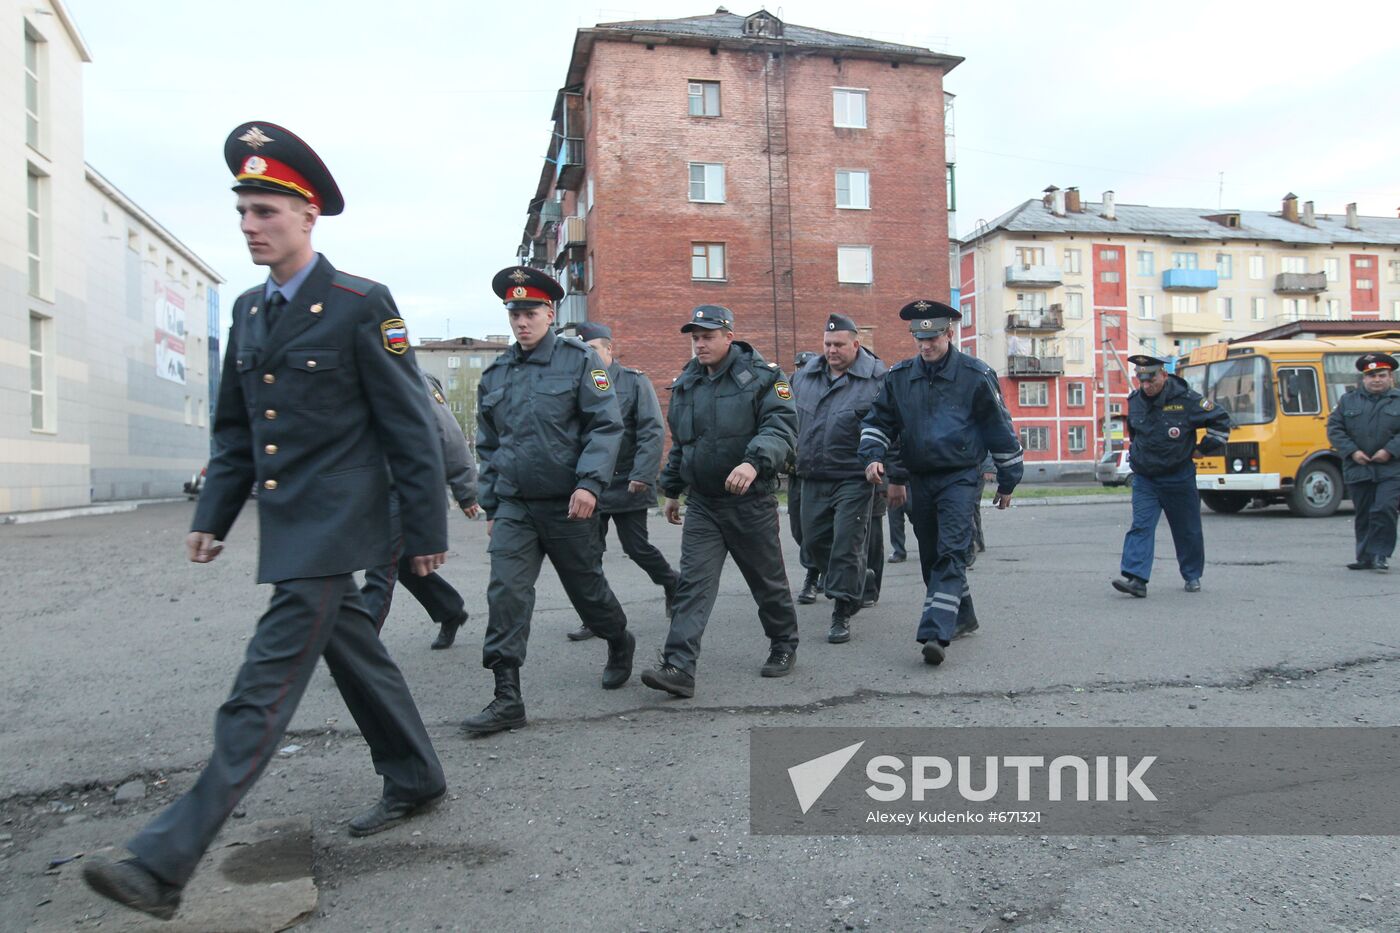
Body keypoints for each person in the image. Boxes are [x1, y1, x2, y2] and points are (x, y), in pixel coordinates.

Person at [82, 122, 449, 921]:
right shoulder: (248, 312)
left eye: (266, 211)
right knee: (356, 652)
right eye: (243, 210)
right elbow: (238, 428)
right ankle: (417, 774)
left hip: (339, 526)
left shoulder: (361, 303)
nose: (251, 225)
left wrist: (424, 531)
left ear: (308, 215)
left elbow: (409, 427)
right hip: (290, 522)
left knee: (262, 689)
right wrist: (214, 511)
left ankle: (163, 858)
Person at [464, 266, 632, 735]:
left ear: (550, 313)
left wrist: (589, 484)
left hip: (568, 502)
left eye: (530, 311)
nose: (521, 321)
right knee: (506, 593)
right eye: (514, 312)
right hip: (517, 505)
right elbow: (490, 444)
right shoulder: (496, 373)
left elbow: (605, 426)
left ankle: (619, 639)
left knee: (588, 592)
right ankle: (506, 696)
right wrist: (493, 505)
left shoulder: (580, 361)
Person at [641, 305, 799, 697]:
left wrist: (752, 462)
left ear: (729, 337)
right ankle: (678, 666)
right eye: (695, 337)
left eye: (708, 336)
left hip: (750, 503)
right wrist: (672, 488)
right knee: (693, 585)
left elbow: (781, 429)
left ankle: (783, 643)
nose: (700, 344)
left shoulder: (764, 378)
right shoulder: (687, 383)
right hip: (705, 504)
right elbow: (684, 442)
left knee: (767, 582)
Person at [860, 300, 1023, 666]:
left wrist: (1008, 479)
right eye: (919, 337)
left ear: (949, 334)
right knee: (932, 556)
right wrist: (872, 456)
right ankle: (962, 615)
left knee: (951, 552)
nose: (926, 345)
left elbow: (999, 428)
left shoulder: (975, 375)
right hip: (920, 478)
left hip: (960, 477)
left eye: (932, 337)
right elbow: (878, 422)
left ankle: (936, 630)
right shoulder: (900, 377)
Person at [565, 321, 678, 640]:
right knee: (588, 552)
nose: (587, 356)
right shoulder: (577, 382)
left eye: (593, 349)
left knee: (636, 546)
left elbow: (651, 429)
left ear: (609, 349)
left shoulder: (633, 381)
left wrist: (643, 474)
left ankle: (673, 582)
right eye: (583, 351)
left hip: (629, 479)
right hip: (592, 483)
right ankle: (595, 616)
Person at [361, 369, 479, 649]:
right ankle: (449, 609)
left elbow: (447, 435)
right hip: (368, 490)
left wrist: (466, 491)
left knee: (379, 567)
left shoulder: (410, 378)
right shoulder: (349, 375)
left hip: (403, 487)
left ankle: (358, 651)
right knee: (402, 563)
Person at [791, 313, 888, 644]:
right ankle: (862, 577)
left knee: (846, 544)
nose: (832, 350)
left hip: (853, 476)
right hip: (812, 474)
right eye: (827, 344)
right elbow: (784, 410)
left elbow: (892, 425)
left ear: (856, 344)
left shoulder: (877, 378)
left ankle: (842, 611)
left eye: (839, 344)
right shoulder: (804, 375)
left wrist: (890, 470)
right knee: (813, 542)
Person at [1111, 354, 1232, 597]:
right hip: (1146, 478)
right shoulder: (1135, 401)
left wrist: (1201, 449)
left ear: (1164, 375)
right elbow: (1135, 434)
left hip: (1178, 476)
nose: (1146, 385)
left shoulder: (1187, 400)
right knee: (1141, 526)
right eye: (1141, 380)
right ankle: (1136, 579)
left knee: (1187, 529)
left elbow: (1221, 421)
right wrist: (1137, 454)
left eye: (1151, 380)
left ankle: (1192, 574)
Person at [1326, 352, 1400, 572]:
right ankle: (1365, 557)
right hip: (1358, 467)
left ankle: (1380, 555)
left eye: (1382, 375)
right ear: (1363, 379)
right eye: (1371, 375)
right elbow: (1335, 429)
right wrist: (1352, 452)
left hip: (1391, 468)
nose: (1376, 379)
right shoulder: (1348, 400)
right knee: (1365, 512)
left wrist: (1389, 450)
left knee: (1384, 508)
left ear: (1391, 377)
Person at [789, 350, 822, 602]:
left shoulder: (825, 390)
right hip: (795, 470)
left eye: (806, 367)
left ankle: (813, 575)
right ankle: (820, 567)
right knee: (798, 530)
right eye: (799, 367)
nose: (802, 371)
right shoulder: (787, 391)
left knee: (816, 529)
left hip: (822, 472)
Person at [966, 453, 995, 569]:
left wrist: (987, 467)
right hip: (958, 470)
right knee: (970, 506)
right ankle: (978, 541)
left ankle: (975, 542)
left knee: (971, 505)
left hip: (976, 469)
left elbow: (986, 443)